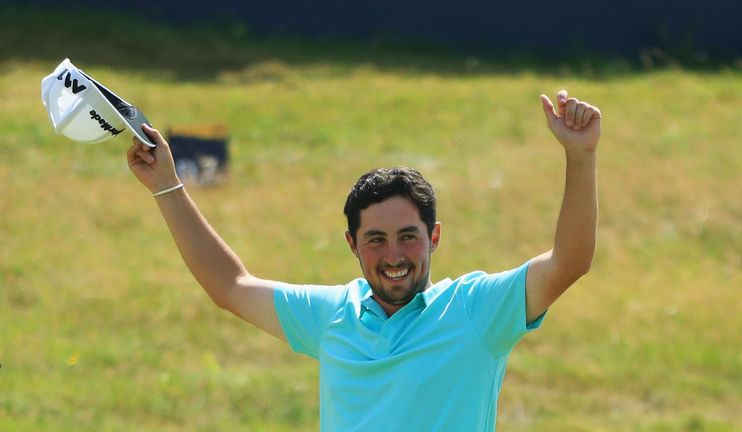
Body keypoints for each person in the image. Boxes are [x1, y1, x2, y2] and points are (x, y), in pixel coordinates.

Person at [127, 90, 601, 431]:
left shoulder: (476, 311)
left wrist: (580, 157)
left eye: (408, 237)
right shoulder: (334, 316)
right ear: (352, 245)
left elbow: (569, 263)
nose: (393, 255)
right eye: (375, 239)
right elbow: (229, 286)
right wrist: (167, 186)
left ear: (434, 237)